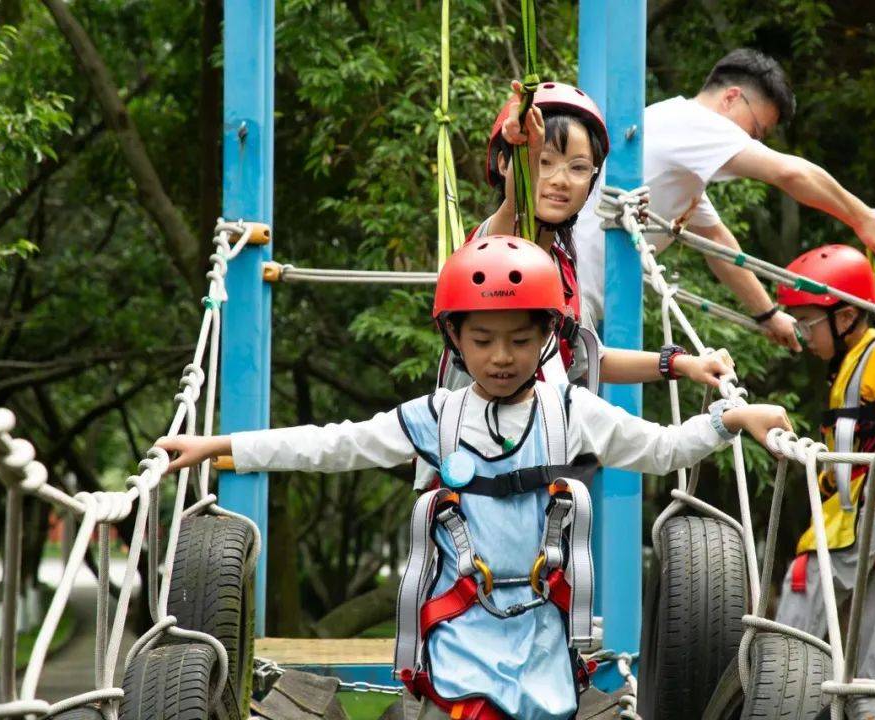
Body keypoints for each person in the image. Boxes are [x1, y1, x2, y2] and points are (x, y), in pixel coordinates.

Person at [157, 237, 794, 720]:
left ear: (548, 337)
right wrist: (222, 445)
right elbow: (333, 444)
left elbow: (661, 449)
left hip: (543, 630)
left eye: (519, 339)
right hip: (457, 629)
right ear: (455, 338)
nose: (500, 357)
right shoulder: (437, 416)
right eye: (482, 338)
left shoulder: (570, 410)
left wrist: (731, 416)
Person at [576, 48, 875, 352]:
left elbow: (718, 243)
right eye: (756, 131)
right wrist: (863, 217)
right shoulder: (697, 124)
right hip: (572, 294)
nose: (752, 142)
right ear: (732, 97)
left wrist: (768, 314)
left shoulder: (681, 148)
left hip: (574, 293)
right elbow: (790, 173)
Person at [441, 81, 733, 396]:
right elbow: (516, 206)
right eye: (543, 162)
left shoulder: (563, 270)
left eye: (578, 167)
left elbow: (593, 359)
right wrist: (526, 151)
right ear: (505, 164)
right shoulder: (491, 248)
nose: (561, 180)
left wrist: (680, 364)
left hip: (539, 438)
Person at [772, 244, 875, 684]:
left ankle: (780, 687)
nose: (805, 336)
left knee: (807, 578)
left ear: (845, 318)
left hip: (874, 499)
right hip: (873, 502)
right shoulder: (844, 361)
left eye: (808, 323)